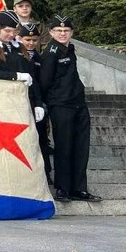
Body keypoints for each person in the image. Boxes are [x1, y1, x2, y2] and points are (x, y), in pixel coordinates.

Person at [40, 16, 101, 202]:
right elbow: (45, 81)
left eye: (66, 31)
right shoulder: (51, 52)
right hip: (61, 105)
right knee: (64, 147)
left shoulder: (69, 48)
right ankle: (63, 188)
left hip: (77, 104)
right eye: (58, 31)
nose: (62, 33)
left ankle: (79, 188)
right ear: (51, 32)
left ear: (71, 33)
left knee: (81, 148)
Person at [0, 10, 44, 126]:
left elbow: (31, 76)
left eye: (14, 31)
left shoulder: (20, 47)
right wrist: (16, 76)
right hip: (1, 100)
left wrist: (38, 103)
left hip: (23, 99)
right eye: (7, 31)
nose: (11, 35)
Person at [19, 22, 52, 181]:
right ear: (20, 39)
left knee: (42, 140)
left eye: (34, 40)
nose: (31, 43)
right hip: (22, 101)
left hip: (38, 101)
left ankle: (46, 173)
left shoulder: (39, 57)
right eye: (27, 40)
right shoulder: (16, 55)